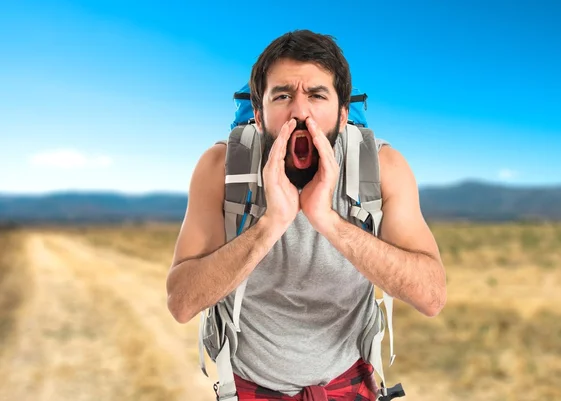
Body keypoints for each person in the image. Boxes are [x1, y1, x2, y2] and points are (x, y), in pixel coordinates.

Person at [166, 29, 447, 401]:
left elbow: (431, 296)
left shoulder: (382, 168)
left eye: (317, 95)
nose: (300, 111)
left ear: (343, 113)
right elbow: (182, 303)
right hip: (250, 388)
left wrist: (328, 221)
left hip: (349, 381)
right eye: (282, 95)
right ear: (258, 111)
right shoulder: (221, 167)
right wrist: (270, 224)